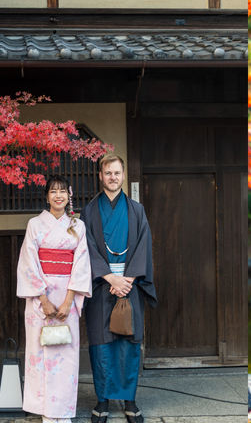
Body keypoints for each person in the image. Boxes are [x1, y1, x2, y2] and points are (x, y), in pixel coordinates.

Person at [81, 153, 158, 423]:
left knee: (129, 342)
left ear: (123, 176)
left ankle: (130, 401)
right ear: (100, 176)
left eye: (117, 173)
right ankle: (102, 401)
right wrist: (109, 277)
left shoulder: (136, 209)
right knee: (101, 343)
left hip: (131, 285)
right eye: (108, 173)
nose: (113, 177)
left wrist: (128, 279)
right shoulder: (88, 211)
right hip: (102, 285)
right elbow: (86, 248)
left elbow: (143, 246)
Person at [16, 175, 92, 423]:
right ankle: (47, 412)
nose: (58, 196)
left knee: (66, 352)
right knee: (40, 351)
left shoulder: (77, 226)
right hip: (41, 298)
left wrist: (70, 299)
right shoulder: (35, 224)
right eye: (53, 191)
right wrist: (43, 299)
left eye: (62, 191)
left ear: (69, 195)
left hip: (67, 295)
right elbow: (28, 262)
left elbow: (81, 264)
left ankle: (63, 411)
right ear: (47, 196)